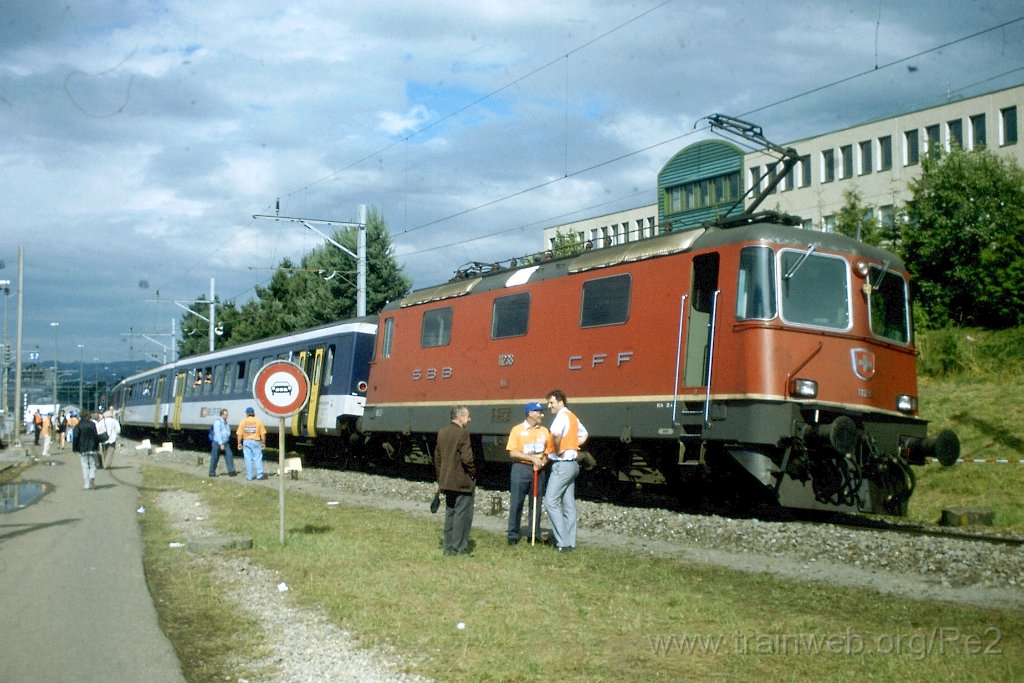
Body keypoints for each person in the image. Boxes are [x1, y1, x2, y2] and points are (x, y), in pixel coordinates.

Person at [543, 389, 588, 552]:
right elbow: (584, 435)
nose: (549, 406)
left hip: (562, 465)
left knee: (551, 501)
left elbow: (555, 433)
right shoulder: (572, 416)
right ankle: (570, 541)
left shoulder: (561, 417)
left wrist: (558, 449)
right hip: (573, 465)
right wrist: (571, 445)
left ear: (560, 402)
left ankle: (562, 542)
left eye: (551, 402)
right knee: (568, 505)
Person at [505, 401, 552, 545]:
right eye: (539, 412)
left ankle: (534, 533)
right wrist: (531, 458)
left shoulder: (544, 431)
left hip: (539, 470)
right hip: (521, 469)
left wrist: (543, 462)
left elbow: (549, 451)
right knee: (517, 502)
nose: (541, 415)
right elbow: (512, 452)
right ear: (530, 414)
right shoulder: (517, 430)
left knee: (536, 502)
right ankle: (513, 534)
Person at [434, 405, 476, 556]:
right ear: (460, 418)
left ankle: (448, 547)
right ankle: (459, 548)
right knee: (462, 516)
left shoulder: (442, 432)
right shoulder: (463, 434)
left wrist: (441, 478)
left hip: (446, 481)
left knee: (450, 514)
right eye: (468, 417)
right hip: (462, 482)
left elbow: (437, 458)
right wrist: (472, 473)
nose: (469, 419)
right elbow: (467, 458)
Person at [236, 407, 267, 481]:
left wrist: (239, 443)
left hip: (246, 441)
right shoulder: (258, 421)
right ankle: (259, 475)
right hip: (256, 441)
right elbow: (263, 434)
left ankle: (249, 476)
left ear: (247, 414)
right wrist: (263, 443)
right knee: (258, 458)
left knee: (248, 459)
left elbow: (239, 434)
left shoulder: (243, 422)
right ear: (253, 413)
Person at [73, 410, 102, 489]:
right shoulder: (92, 424)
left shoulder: (78, 426)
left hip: (82, 448)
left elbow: (75, 437)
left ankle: (86, 484)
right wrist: (97, 447)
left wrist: (74, 448)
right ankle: (92, 476)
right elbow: (96, 437)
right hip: (92, 448)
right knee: (93, 464)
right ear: (88, 416)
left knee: (85, 465)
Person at [209, 409, 238, 477]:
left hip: (226, 442)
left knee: (229, 455)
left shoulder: (225, 422)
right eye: (226, 415)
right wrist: (221, 443)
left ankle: (231, 471)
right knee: (215, 457)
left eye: (227, 415)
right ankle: (212, 472)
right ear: (222, 415)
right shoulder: (217, 422)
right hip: (217, 442)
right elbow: (217, 433)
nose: (227, 416)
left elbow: (227, 431)